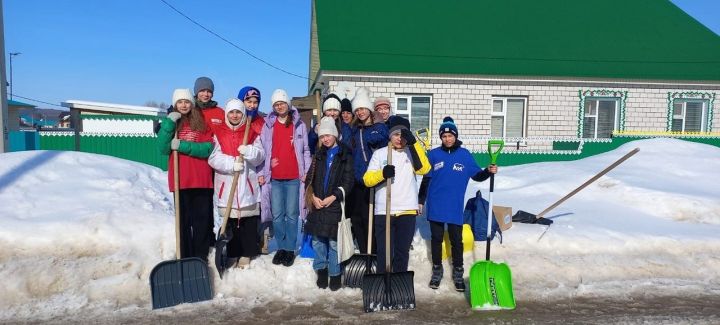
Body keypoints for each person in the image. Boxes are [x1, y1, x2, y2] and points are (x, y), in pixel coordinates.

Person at [417, 116, 498, 292]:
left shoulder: (465, 155)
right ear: (441, 138)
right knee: (436, 240)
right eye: (444, 136)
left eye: (450, 136)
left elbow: (477, 175)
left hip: (454, 206)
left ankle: (458, 272)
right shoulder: (434, 154)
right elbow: (426, 179)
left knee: (456, 240)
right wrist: (421, 200)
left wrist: (488, 171)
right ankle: (437, 271)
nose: (447, 139)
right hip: (436, 204)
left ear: (455, 136)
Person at [363, 115, 430, 273]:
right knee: (384, 252)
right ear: (390, 135)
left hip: (407, 210)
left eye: (403, 135)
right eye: (396, 134)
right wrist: (382, 174)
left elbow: (424, 169)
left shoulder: (411, 152)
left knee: (402, 251)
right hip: (384, 211)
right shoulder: (380, 154)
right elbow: (367, 179)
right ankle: (382, 283)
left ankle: (398, 283)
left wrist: (413, 144)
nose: (399, 138)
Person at [157, 88, 214, 261]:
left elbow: (208, 148)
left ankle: (200, 256)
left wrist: (182, 146)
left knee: (201, 222)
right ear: (175, 104)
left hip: (201, 179)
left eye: (187, 101)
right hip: (180, 180)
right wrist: (168, 124)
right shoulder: (171, 124)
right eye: (180, 102)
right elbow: (163, 148)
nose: (184, 105)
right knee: (183, 223)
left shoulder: (201, 122)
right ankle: (185, 257)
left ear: (192, 103)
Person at [208, 99, 264, 268]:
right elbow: (213, 158)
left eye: (238, 112)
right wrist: (231, 164)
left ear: (242, 114)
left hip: (247, 186)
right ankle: (232, 253)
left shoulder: (252, 133)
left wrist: (249, 151)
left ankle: (247, 253)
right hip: (227, 186)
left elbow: (260, 155)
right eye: (231, 112)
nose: (234, 115)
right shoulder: (219, 134)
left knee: (248, 223)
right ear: (226, 114)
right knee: (230, 224)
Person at [258, 89, 311, 267]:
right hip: (274, 178)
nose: (279, 106)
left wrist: (306, 172)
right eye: (276, 104)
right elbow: (262, 152)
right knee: (277, 215)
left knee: (292, 214)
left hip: (294, 177)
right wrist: (261, 173)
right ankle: (281, 247)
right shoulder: (268, 126)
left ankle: (289, 249)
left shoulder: (298, 124)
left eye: (282, 103)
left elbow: (305, 151)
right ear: (273, 107)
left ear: (288, 104)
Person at [304, 116, 354, 290]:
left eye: (328, 135)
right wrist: (313, 197)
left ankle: (334, 273)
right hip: (318, 203)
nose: (325, 139)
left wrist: (333, 197)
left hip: (333, 203)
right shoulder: (319, 155)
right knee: (318, 240)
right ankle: (321, 270)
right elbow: (309, 178)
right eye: (322, 136)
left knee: (333, 242)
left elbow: (348, 181)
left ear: (335, 134)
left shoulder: (345, 154)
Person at [347, 87, 388, 255]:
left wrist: (371, 127)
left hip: (372, 179)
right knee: (357, 218)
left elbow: (380, 138)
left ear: (369, 109)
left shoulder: (379, 127)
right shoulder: (355, 130)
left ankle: (374, 252)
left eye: (363, 108)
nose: (360, 112)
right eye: (357, 109)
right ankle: (364, 252)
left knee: (369, 218)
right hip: (357, 179)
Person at [193, 76, 226, 246]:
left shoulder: (220, 112)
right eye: (202, 91)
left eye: (208, 91)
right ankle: (203, 235)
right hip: (198, 163)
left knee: (219, 199)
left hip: (218, 162)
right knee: (203, 201)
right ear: (196, 92)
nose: (206, 94)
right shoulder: (190, 110)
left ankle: (215, 233)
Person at [238, 86, 270, 253]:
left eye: (255, 102)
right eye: (248, 101)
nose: (251, 105)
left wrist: (262, 171)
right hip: (240, 171)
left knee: (261, 207)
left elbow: (266, 149)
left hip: (259, 171)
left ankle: (262, 239)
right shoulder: (236, 118)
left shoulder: (261, 122)